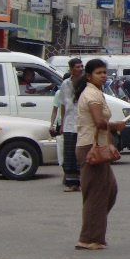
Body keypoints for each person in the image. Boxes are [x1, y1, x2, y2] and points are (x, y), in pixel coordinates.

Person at [74, 58, 126, 251]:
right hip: (91, 148)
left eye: (104, 72)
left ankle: (94, 231)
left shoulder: (96, 92)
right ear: (89, 76)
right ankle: (88, 238)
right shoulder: (92, 95)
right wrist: (116, 126)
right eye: (99, 73)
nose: (103, 76)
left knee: (109, 190)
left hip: (96, 146)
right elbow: (98, 122)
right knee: (96, 195)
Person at [59, 57, 84, 192]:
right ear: (71, 69)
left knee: (80, 155)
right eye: (77, 67)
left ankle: (83, 182)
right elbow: (63, 105)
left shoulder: (86, 83)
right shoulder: (65, 84)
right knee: (69, 155)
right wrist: (62, 124)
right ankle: (73, 183)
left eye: (81, 66)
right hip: (69, 123)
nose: (80, 69)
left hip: (82, 124)